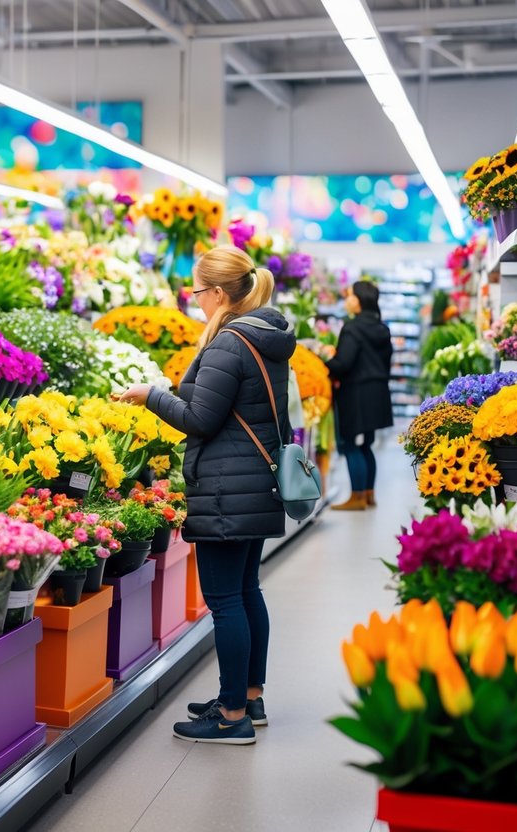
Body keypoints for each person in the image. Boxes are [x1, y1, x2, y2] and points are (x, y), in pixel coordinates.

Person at [117, 245, 294, 745]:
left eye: (197, 290)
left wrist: (151, 395)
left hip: (225, 490)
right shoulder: (266, 336)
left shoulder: (228, 344)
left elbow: (199, 420)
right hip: (255, 484)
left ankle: (231, 714)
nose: (193, 299)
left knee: (224, 601)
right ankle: (249, 696)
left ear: (218, 292)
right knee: (246, 591)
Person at [325, 281, 394, 511]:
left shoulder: (353, 328)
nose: (347, 299)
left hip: (356, 393)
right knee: (367, 445)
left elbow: (344, 364)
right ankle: (368, 495)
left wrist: (325, 359)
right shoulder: (382, 328)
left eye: (350, 295)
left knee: (351, 445)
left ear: (359, 300)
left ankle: (356, 497)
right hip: (378, 392)